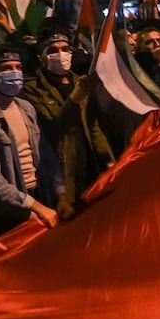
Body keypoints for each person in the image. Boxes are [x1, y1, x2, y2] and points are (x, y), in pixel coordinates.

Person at [0, 44, 64, 230]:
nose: (14, 73)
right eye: (6, 68)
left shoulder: (26, 108)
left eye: (18, 67)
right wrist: (34, 206)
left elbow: (44, 158)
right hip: (13, 209)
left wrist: (60, 193)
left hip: (40, 196)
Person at [21, 27, 113, 205]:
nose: (61, 54)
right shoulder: (32, 89)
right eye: (53, 50)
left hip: (90, 164)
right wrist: (75, 97)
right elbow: (55, 127)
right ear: (41, 57)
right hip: (64, 170)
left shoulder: (79, 81)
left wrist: (107, 160)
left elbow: (92, 126)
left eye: (65, 49)